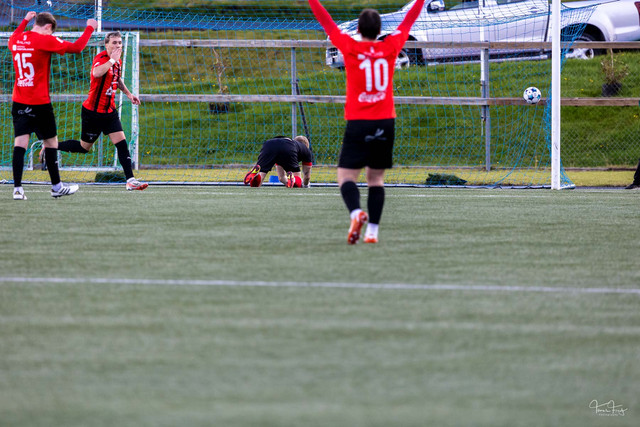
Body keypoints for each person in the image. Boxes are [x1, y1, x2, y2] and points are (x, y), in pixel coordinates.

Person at [308, 0, 425, 244]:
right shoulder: (391, 46)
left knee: (346, 177)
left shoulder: (350, 47)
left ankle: (355, 213)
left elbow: (327, 22)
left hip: (358, 121)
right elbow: (409, 21)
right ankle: (372, 232)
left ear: (359, 30)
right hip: (385, 122)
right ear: (380, 30)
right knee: (376, 180)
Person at [42, 31, 148, 191]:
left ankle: (130, 180)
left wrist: (129, 94)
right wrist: (112, 60)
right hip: (92, 113)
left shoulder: (117, 62)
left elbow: (117, 78)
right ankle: (51, 146)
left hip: (109, 112)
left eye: (120, 42)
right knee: (84, 148)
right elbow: (96, 73)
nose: (118, 45)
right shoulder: (101, 59)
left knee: (122, 144)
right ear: (106, 45)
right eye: (114, 43)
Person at [9, 11, 97, 200]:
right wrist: (90, 28)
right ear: (48, 27)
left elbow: (15, 33)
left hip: (19, 101)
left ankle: (17, 189)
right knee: (51, 143)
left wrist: (25, 19)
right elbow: (77, 47)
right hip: (39, 103)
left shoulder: (15, 39)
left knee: (20, 144)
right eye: (51, 31)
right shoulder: (44, 40)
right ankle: (56, 186)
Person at [243, 135, 313, 188]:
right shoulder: (305, 150)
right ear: (306, 145)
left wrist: (288, 182)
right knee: (297, 178)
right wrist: (305, 185)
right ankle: (294, 179)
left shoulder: (288, 142)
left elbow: (281, 177)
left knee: (261, 174)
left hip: (269, 144)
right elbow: (307, 177)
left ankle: (256, 176)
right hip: (288, 147)